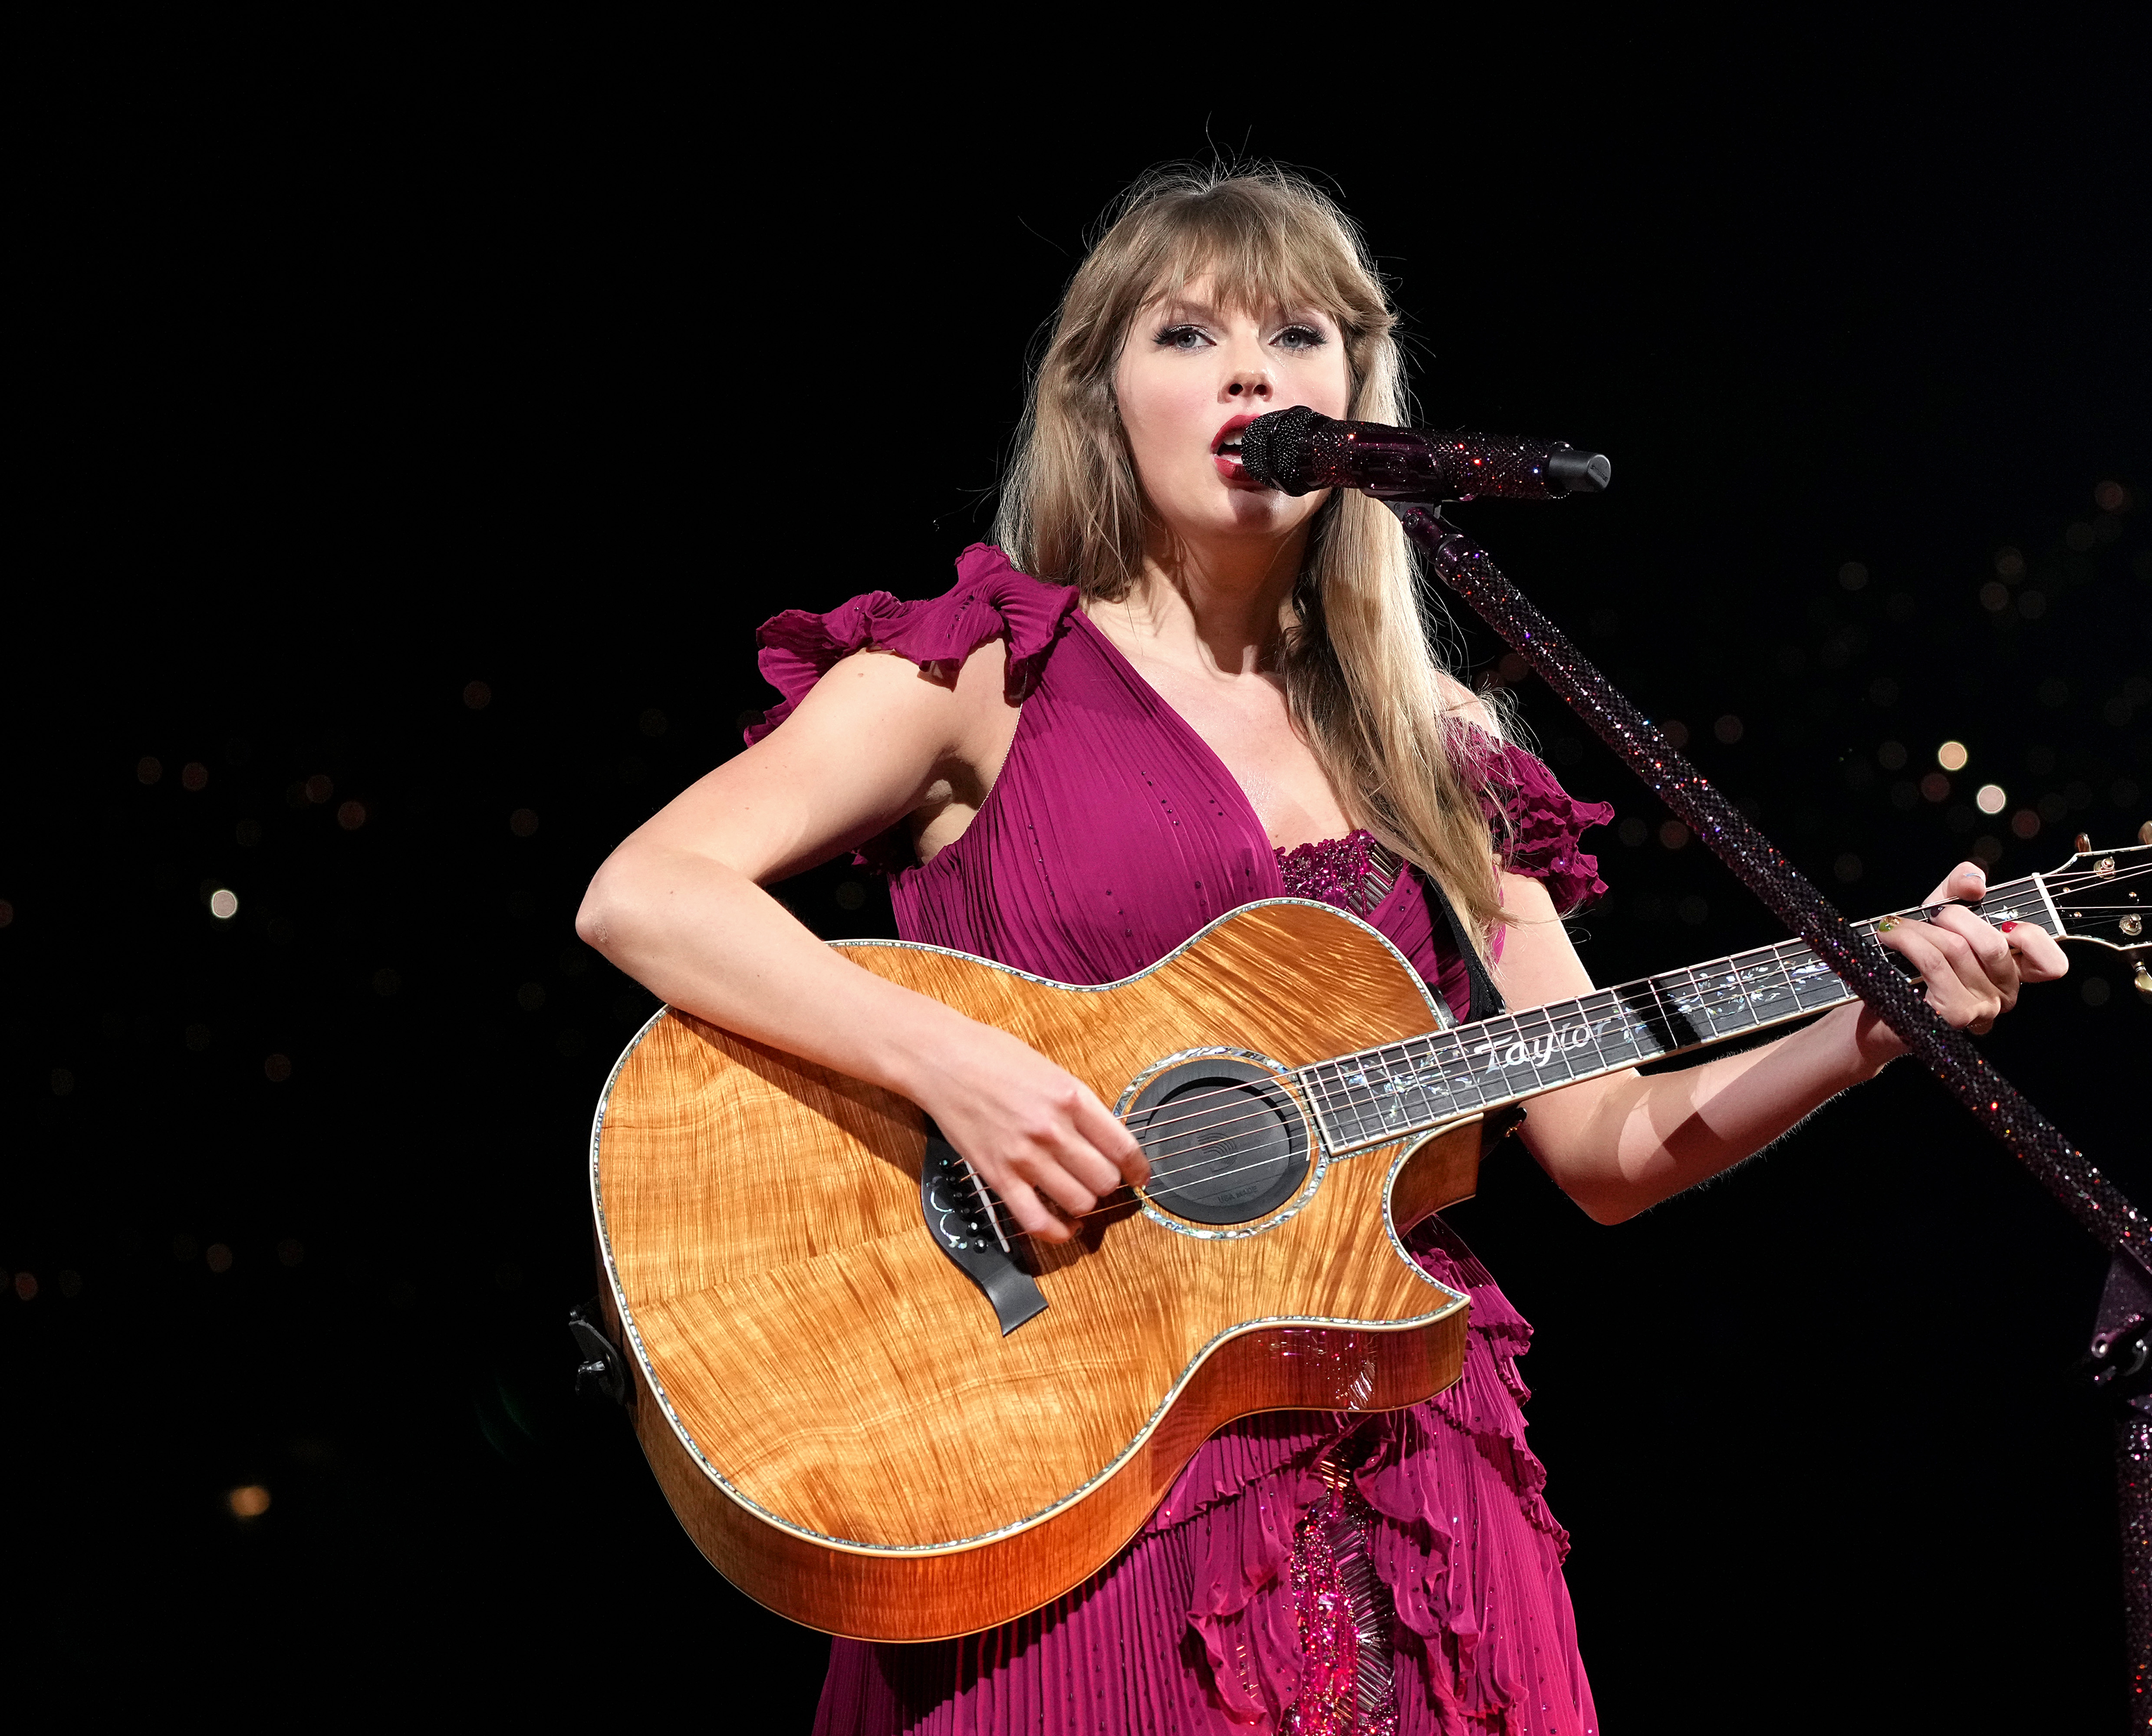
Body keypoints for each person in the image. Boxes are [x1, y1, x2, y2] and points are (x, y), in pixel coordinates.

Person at [577, 163, 2066, 1736]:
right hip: (1055, 1447)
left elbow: (1610, 1141)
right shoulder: (983, 671)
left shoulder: (1444, 749)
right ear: (1100, 396)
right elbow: (650, 893)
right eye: (1183, 333)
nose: (1249, 372)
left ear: (1360, 394)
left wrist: (1874, 1021)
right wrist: (969, 1074)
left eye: (1298, 333)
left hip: (1407, 1448)